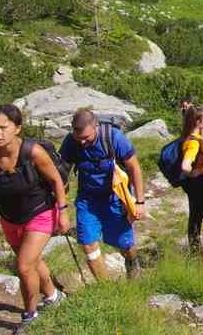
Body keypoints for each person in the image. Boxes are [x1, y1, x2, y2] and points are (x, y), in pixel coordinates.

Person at [0, 105, 68, 330]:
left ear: (17, 128)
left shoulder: (33, 152)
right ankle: (53, 296)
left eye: (2, 127)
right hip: (9, 217)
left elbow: (56, 180)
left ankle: (30, 316)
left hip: (40, 213)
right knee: (33, 261)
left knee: (24, 266)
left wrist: (63, 212)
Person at [59, 108, 145, 280]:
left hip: (115, 197)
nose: (82, 142)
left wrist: (139, 202)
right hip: (87, 199)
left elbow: (134, 167)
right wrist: (59, 201)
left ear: (96, 126)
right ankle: (105, 288)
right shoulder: (71, 142)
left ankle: (132, 261)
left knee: (124, 243)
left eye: (86, 138)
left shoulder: (113, 138)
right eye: (79, 138)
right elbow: (61, 174)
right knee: (88, 242)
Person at [179, 106, 203, 253]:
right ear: (198, 121)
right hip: (197, 183)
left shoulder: (196, 137)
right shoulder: (193, 142)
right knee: (196, 215)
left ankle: (195, 245)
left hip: (197, 182)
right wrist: (195, 172)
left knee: (197, 214)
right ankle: (194, 249)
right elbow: (185, 165)